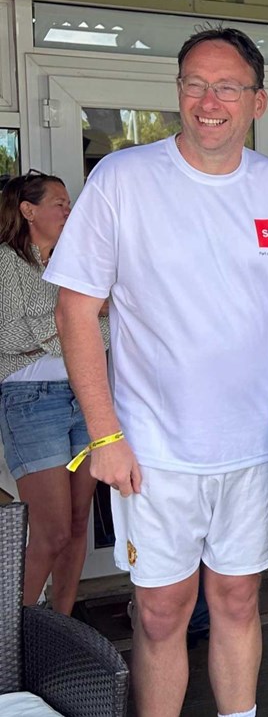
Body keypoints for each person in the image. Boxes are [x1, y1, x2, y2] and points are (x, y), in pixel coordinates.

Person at [46, 27, 268, 717]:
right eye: (194, 83)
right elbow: (75, 311)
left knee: (239, 599)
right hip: (152, 449)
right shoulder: (123, 180)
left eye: (227, 86)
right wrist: (104, 437)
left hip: (253, 446)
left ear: (258, 101)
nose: (208, 100)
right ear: (178, 93)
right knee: (160, 613)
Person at [0, 171, 108, 615]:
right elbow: (8, 336)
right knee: (52, 530)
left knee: (79, 521)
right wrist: (76, 322)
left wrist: (74, 324)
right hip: (31, 400)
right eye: (60, 203)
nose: (70, 210)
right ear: (28, 211)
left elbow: (103, 331)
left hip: (85, 395)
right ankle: (16, 638)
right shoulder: (7, 262)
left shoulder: (77, 262)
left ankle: (61, 625)